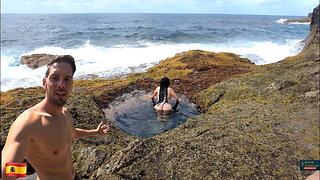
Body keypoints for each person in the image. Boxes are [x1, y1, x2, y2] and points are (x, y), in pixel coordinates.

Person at [1, 55, 110, 180]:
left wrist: (96, 132)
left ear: (72, 84)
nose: (61, 84)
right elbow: (7, 169)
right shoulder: (29, 122)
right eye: (55, 78)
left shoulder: (64, 113)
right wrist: (21, 171)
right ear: (44, 83)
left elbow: (72, 133)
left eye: (67, 79)